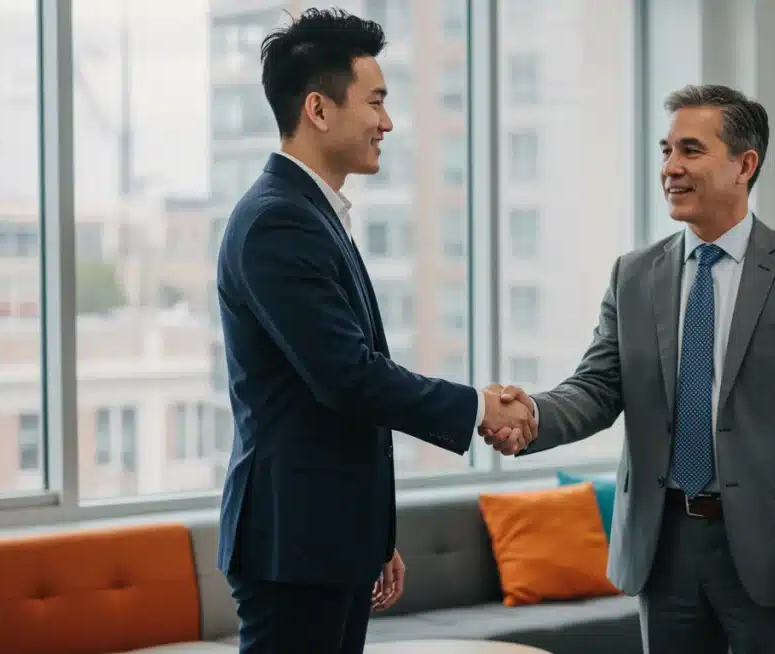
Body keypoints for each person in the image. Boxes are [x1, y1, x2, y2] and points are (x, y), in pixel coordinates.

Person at [485, 84, 775, 653]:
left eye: (690, 150)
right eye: (666, 151)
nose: (671, 168)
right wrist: (533, 414)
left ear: (745, 164)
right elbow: (597, 387)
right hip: (663, 544)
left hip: (772, 547)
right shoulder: (634, 274)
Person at [214, 9, 535, 654]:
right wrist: (478, 407)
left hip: (323, 539)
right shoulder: (279, 222)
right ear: (318, 109)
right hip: (292, 545)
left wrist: (371, 534)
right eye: (377, 102)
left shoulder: (313, 214)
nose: (388, 123)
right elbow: (347, 376)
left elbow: (336, 399)